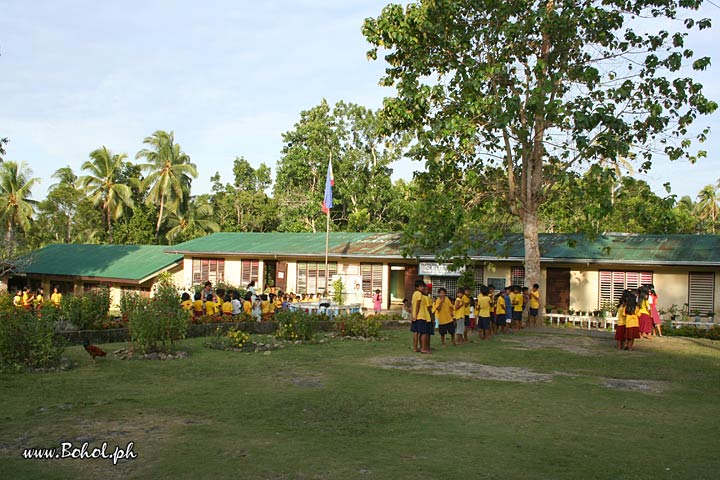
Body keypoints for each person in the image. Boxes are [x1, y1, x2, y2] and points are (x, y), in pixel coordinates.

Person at [411, 280, 432, 354]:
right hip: (421, 316)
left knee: (416, 332)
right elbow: (417, 305)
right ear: (417, 287)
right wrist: (416, 315)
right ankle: (423, 348)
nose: (422, 288)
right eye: (421, 286)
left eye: (423, 286)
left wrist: (413, 316)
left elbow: (413, 305)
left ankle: (415, 347)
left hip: (416, 316)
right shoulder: (419, 294)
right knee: (424, 332)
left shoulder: (414, 294)